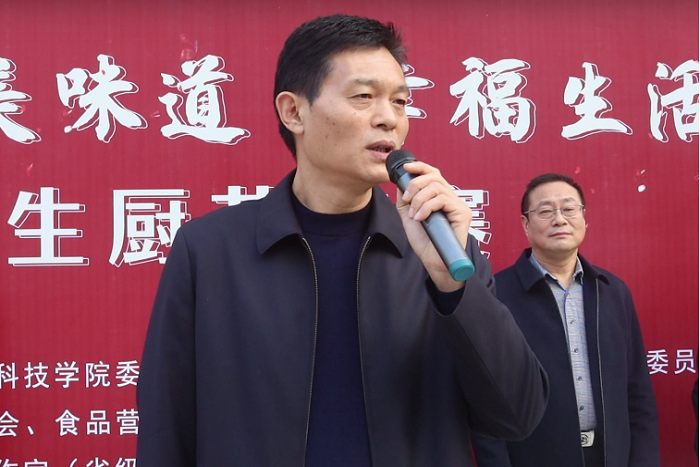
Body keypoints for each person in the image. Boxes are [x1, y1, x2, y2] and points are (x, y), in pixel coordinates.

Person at [136, 14, 547, 466]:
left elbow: (518, 416)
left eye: (400, 101)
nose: (389, 119)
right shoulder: (209, 250)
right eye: (363, 97)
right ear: (294, 112)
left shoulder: (441, 251)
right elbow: (165, 425)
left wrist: (454, 290)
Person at [471, 173, 660, 467]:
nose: (559, 220)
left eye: (569, 209)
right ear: (525, 224)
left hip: (611, 457)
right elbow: (486, 401)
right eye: (546, 211)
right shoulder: (497, 295)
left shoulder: (612, 291)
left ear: (584, 218)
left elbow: (638, 392)